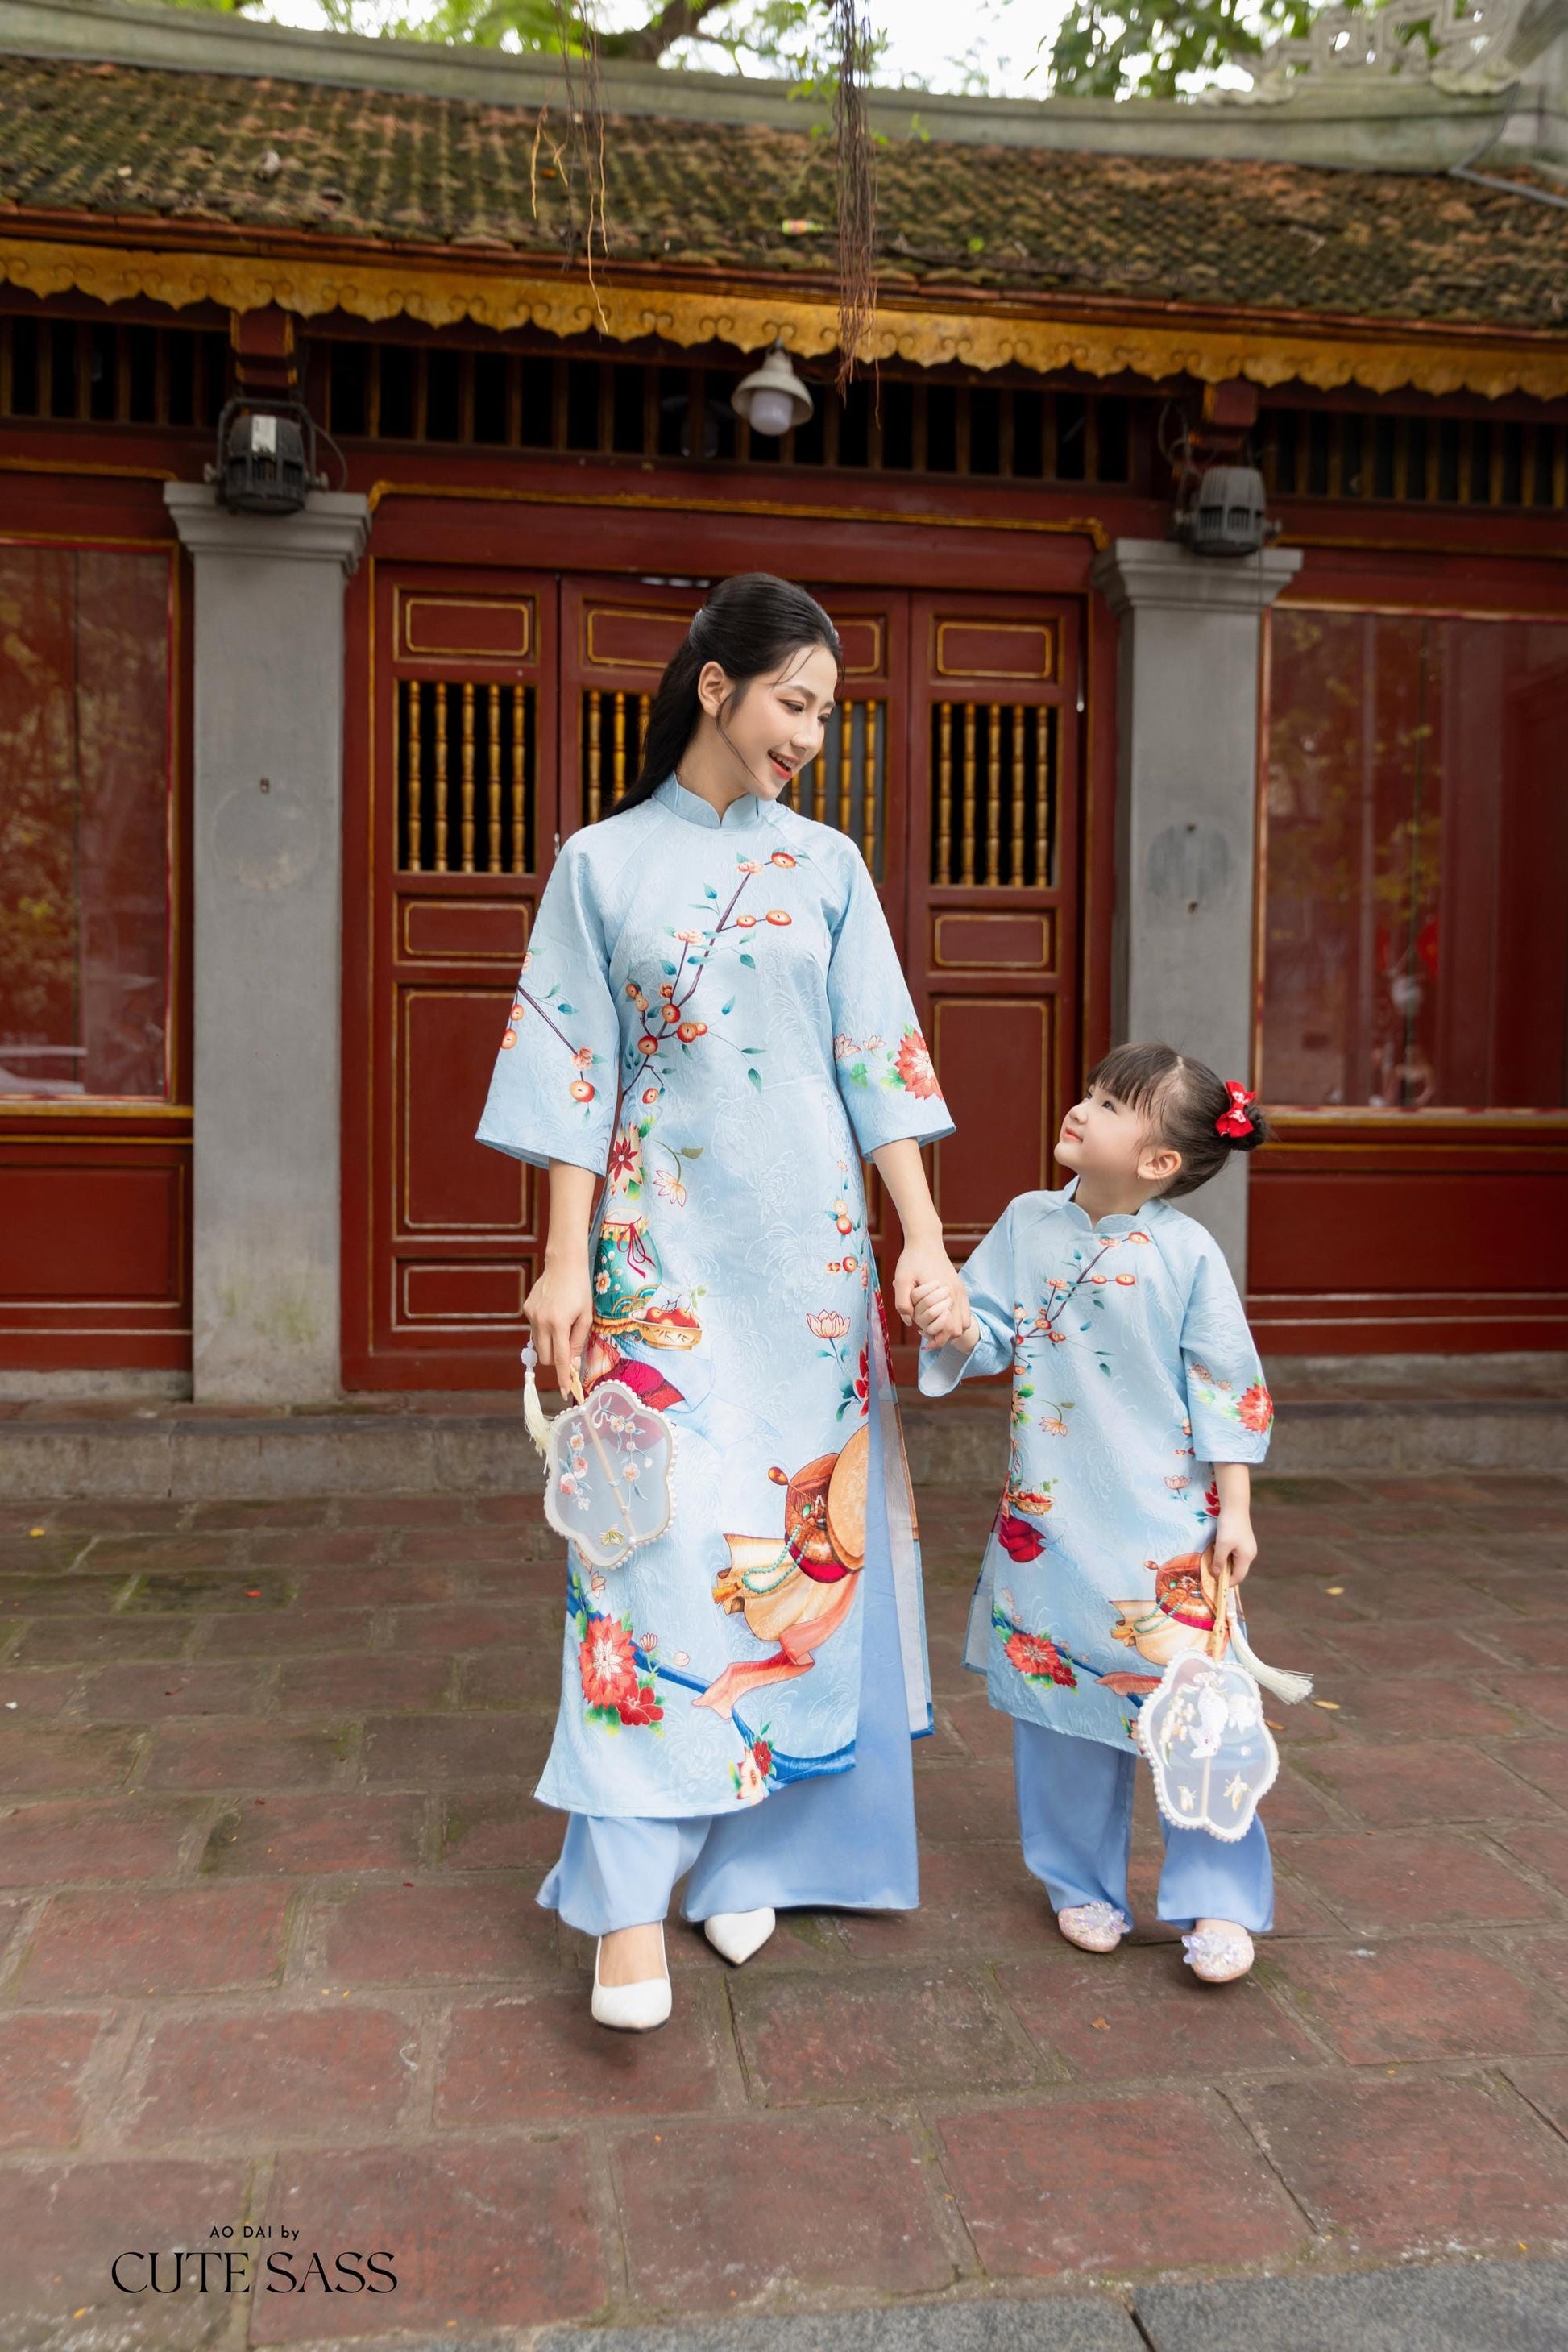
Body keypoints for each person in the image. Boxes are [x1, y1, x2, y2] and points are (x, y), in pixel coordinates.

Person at [476, 572, 966, 2030]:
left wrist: (923, 1238)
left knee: (795, 1550)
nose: (812, 735)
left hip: (808, 1272)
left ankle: (758, 1846)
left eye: (827, 711)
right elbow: (573, 1068)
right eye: (794, 703)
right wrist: (564, 1262)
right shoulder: (598, 864)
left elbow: (879, 1058)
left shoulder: (827, 868)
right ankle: (627, 1902)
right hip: (655, 1261)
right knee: (639, 1557)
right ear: (715, 684)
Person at [910, 1043, 1276, 1985]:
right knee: (1061, 1708)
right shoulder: (1028, 1225)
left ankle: (1218, 1901)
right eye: (1091, 1092)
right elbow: (986, 1331)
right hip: (1054, 1522)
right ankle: (1078, 1883)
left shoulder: (1186, 1253)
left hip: (1169, 1532)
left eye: (1110, 1104)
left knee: (1198, 1717)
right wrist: (948, 1317)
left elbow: (1224, 1385)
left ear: (1157, 1163)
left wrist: (1233, 1509)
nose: (1080, 1108)